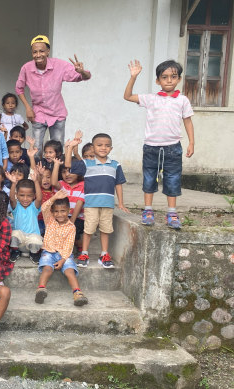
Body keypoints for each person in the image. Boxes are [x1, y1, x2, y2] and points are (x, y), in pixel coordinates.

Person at [124, 59, 194, 229]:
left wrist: (191, 142)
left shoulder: (182, 100)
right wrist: (133, 77)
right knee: (149, 178)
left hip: (173, 147)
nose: (169, 80)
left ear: (178, 79)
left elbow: (188, 122)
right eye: (165, 77)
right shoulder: (151, 99)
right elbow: (127, 96)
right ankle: (148, 211)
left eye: (173, 76)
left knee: (173, 179)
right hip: (151, 147)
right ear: (158, 81)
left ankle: (172, 212)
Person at [16, 35, 91, 160]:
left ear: (48, 51)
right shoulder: (26, 68)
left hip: (57, 113)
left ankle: (57, 176)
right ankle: (37, 176)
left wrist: (81, 71)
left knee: (57, 149)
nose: (38, 54)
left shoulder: (59, 65)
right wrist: (28, 108)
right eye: (35, 52)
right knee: (37, 149)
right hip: (38, 113)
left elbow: (85, 77)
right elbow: (19, 88)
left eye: (41, 51)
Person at [66, 134, 128, 269]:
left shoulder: (115, 165)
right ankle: (84, 254)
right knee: (88, 229)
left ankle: (104, 254)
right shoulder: (87, 164)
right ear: (93, 148)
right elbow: (68, 165)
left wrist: (121, 203)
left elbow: (118, 184)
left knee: (105, 230)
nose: (103, 148)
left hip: (107, 204)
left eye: (107, 145)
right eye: (99, 145)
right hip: (91, 204)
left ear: (111, 148)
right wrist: (71, 148)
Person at [35, 190, 88, 306]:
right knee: (47, 268)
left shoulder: (71, 227)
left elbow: (69, 246)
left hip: (65, 254)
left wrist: (63, 259)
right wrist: (54, 197)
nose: (59, 214)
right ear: (52, 213)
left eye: (63, 211)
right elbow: (44, 207)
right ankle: (41, 289)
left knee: (69, 270)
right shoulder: (49, 220)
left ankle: (77, 293)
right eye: (56, 211)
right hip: (48, 252)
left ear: (69, 211)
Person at [6, 171, 43, 262]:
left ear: (33, 196)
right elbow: (11, 198)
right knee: (14, 233)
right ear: (17, 195)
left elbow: (39, 198)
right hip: (19, 243)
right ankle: (15, 252)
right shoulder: (16, 207)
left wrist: (36, 182)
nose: (25, 199)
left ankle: (34, 254)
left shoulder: (34, 207)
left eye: (29, 196)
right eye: (22, 195)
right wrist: (14, 183)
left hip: (32, 243)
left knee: (36, 238)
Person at [52, 158, 85, 254]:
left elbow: (80, 203)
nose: (67, 174)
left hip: (77, 217)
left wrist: (71, 221)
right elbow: (53, 182)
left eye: (71, 171)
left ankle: (79, 246)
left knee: (74, 231)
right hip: (60, 216)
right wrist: (57, 164)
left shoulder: (83, 185)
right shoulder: (62, 185)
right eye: (64, 172)